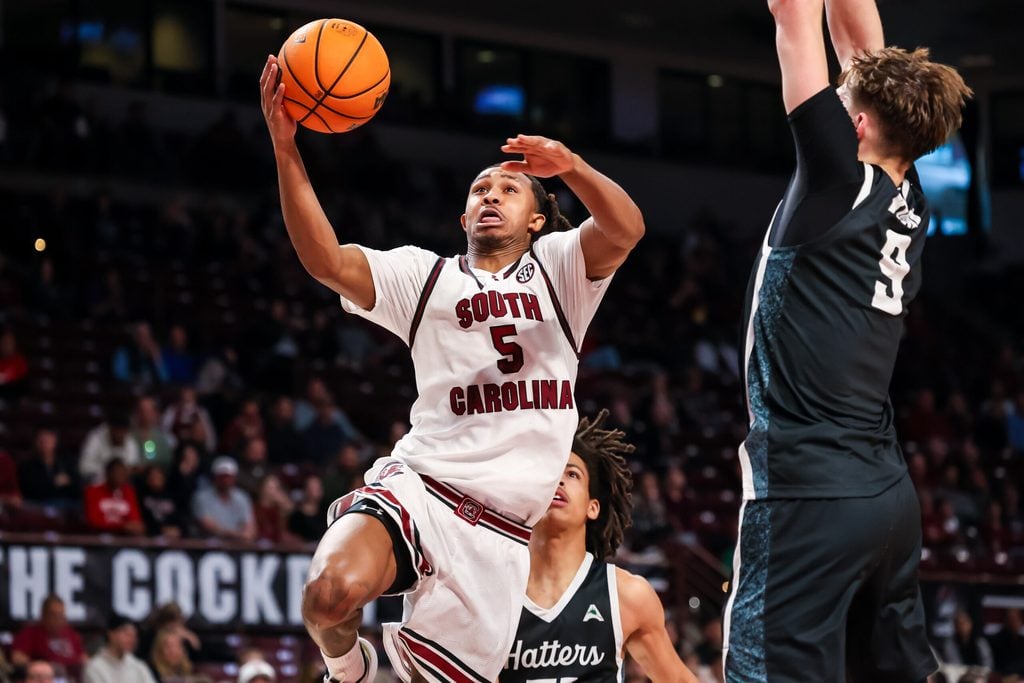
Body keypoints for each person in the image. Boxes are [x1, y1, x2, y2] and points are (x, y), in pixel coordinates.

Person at [261, 47, 643, 683]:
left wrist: (570, 166)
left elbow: (626, 229)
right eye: (479, 190)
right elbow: (325, 259)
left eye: (509, 187)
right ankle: (349, 672)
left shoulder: (563, 272)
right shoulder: (424, 276)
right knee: (326, 595)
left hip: (498, 533)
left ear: (539, 218)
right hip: (422, 484)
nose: (491, 194)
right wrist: (285, 147)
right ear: (464, 217)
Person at [722, 1, 972, 682]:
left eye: (842, 100)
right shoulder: (908, 194)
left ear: (856, 125)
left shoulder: (837, 176)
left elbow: (791, 16)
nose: (831, 97)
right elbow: (862, 53)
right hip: (884, 496)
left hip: (811, 492)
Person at [503, 411, 697, 682]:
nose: (558, 480)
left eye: (572, 474)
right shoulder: (497, 594)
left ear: (592, 507)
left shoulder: (627, 594)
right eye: (549, 473)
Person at [10, 595, 87, 675]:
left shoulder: (71, 634)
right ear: (43, 615)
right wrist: (40, 667)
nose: (58, 619)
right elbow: (17, 657)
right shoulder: (30, 633)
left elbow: (83, 658)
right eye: (54, 615)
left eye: (61, 615)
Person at [191, 456, 256, 542]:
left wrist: (247, 534)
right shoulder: (202, 497)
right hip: (209, 545)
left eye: (229, 477)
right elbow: (207, 525)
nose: (226, 480)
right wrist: (236, 535)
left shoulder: (242, 498)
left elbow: (250, 526)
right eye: (222, 477)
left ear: (234, 478)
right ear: (215, 477)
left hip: (238, 545)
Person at [83, 615, 157, 683]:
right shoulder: (94, 667)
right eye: (126, 633)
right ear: (111, 634)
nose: (132, 639)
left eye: (134, 635)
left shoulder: (138, 666)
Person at [83, 457, 145, 535]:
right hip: (99, 537)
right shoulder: (92, 491)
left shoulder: (129, 492)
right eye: (116, 472)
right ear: (107, 473)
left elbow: (135, 519)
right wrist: (122, 526)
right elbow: (93, 521)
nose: (119, 476)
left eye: (122, 473)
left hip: (124, 537)